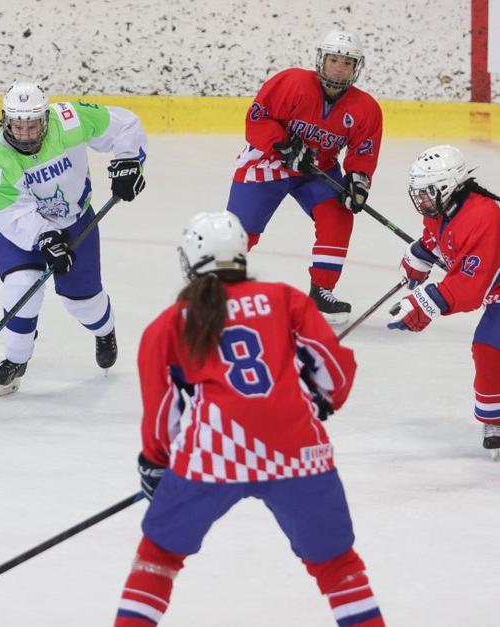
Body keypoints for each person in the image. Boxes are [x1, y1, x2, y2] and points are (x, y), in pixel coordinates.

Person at [114, 212, 384, 626]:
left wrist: (156, 464)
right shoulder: (284, 298)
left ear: (191, 260)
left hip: (213, 456)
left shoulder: (171, 322)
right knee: (338, 566)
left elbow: (161, 407)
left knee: (158, 558)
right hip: (297, 452)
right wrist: (323, 400)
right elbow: (335, 369)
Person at [0, 81, 146, 396]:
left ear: (45, 119)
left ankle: (104, 330)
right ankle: (16, 360)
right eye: (17, 126)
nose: (25, 134)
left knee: (83, 302)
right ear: (5, 120)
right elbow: (11, 212)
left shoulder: (69, 120)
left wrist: (128, 160)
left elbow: (125, 125)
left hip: (74, 220)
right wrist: (44, 238)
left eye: (32, 125)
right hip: (18, 225)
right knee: (21, 286)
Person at [227, 30, 383, 325]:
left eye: (347, 63)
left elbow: (363, 152)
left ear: (356, 67)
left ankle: (321, 291)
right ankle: (215, 286)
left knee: (338, 216)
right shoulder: (291, 83)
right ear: (322, 60)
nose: (339, 68)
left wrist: (358, 181)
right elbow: (257, 118)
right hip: (269, 160)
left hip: (318, 169)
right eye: (334, 60)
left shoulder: (366, 108)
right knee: (239, 229)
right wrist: (283, 144)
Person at [388, 145, 500, 457]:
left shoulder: (484, 216)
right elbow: (436, 240)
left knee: (490, 346)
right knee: (488, 348)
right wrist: (419, 256)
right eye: (418, 193)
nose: (421, 200)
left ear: (448, 186)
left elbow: (471, 287)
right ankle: (495, 420)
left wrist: (425, 303)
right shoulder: (442, 211)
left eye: (427, 192)